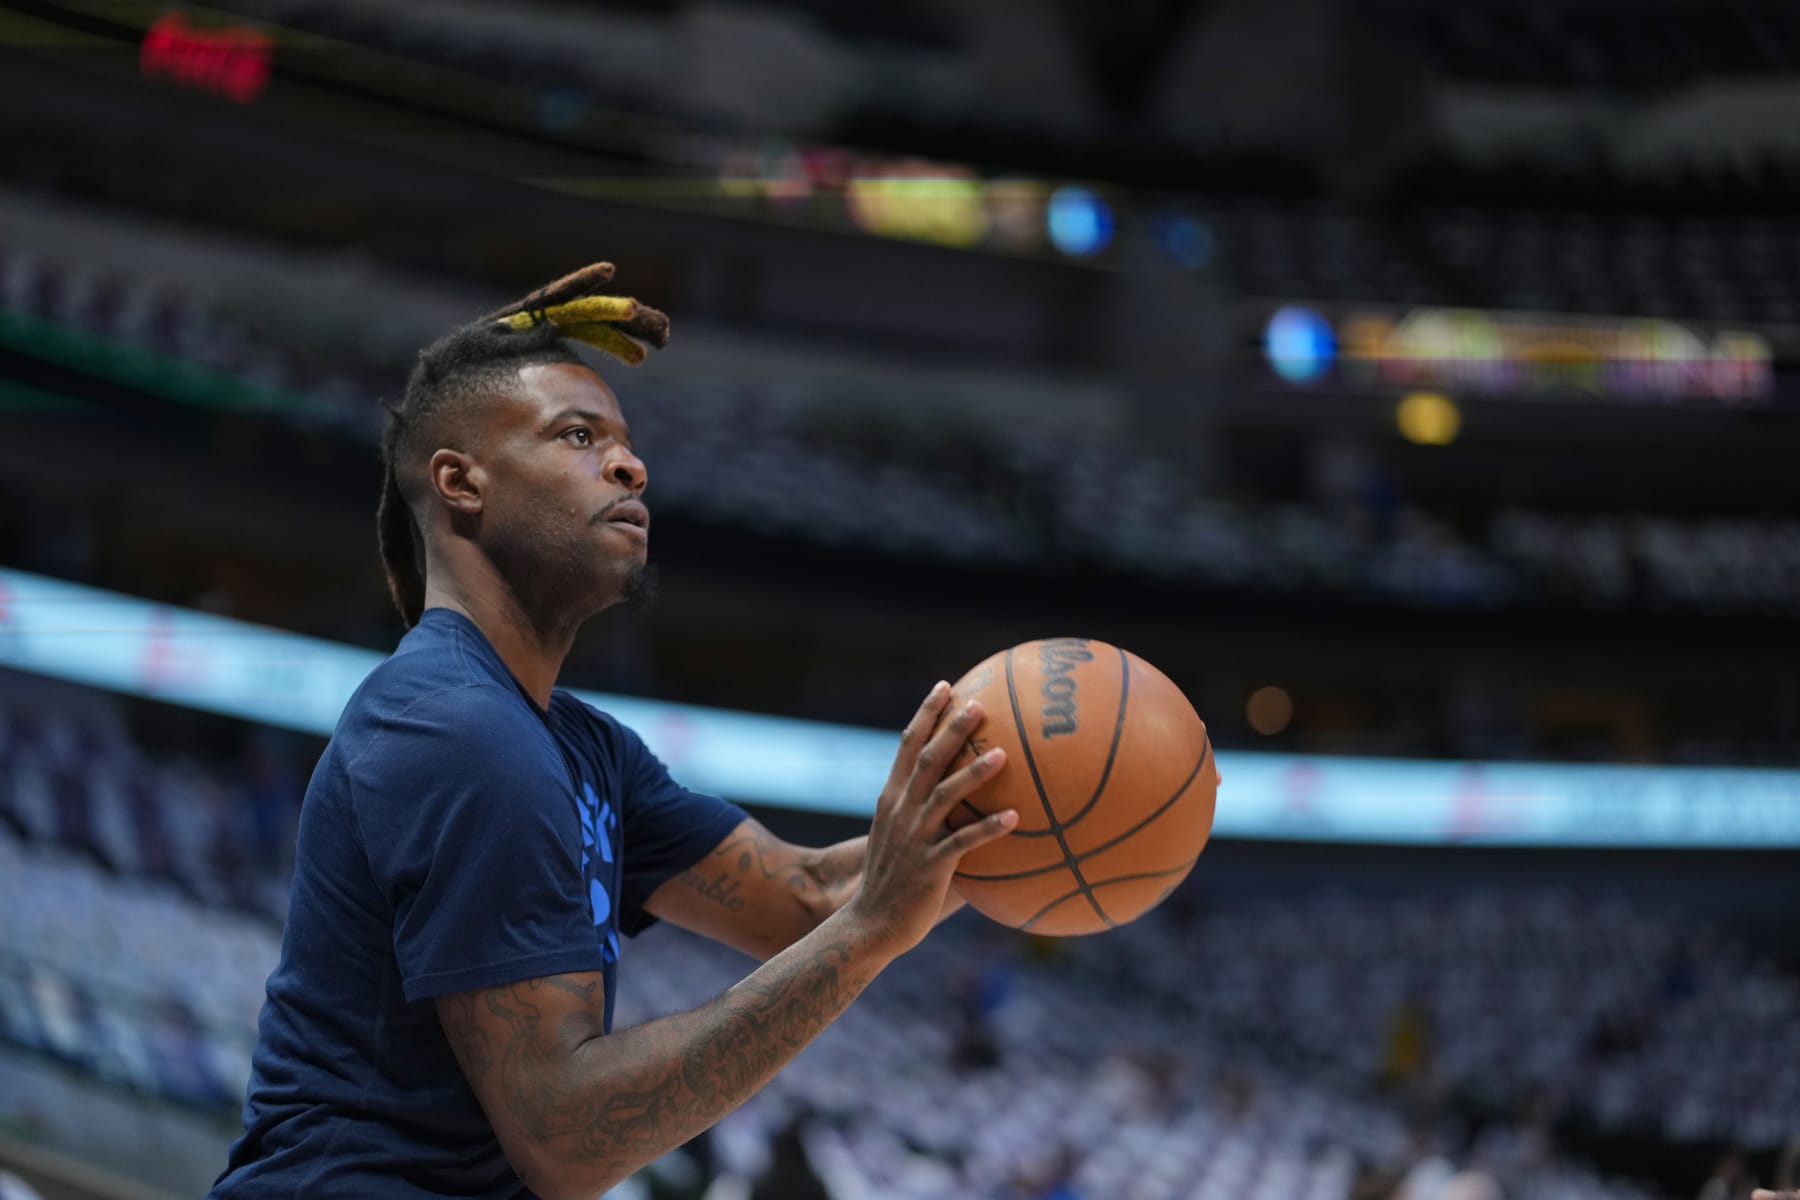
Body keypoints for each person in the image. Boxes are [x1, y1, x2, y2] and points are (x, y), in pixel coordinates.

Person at [207, 264, 1020, 1200]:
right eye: (579, 436)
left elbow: (803, 897)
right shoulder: (454, 728)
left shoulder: (575, 745)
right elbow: (566, 1137)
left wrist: (1007, 816)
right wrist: (875, 931)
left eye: (627, 445)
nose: (632, 466)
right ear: (461, 484)